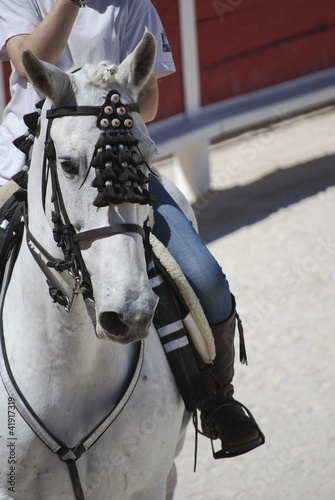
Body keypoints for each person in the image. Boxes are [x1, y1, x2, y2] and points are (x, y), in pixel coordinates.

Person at [0, 0, 264, 458]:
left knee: (205, 277)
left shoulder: (130, 2)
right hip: (22, 162)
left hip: (113, 164)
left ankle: (218, 401)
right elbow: (30, 65)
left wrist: (115, 93)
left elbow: (151, 100)